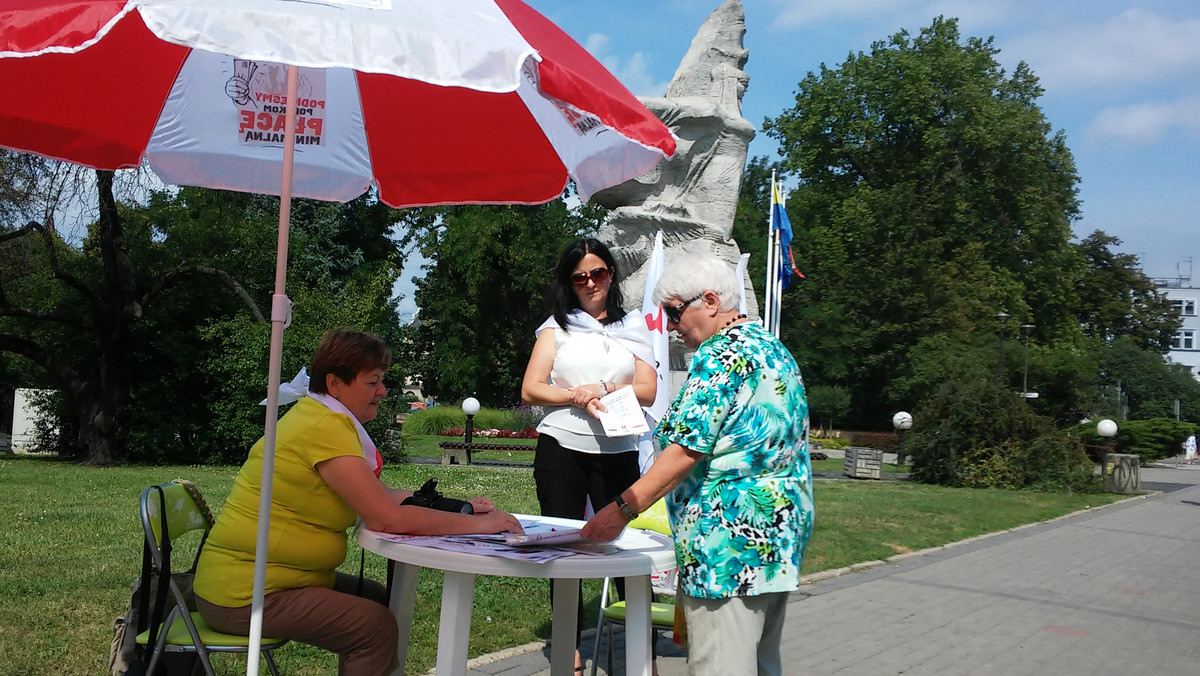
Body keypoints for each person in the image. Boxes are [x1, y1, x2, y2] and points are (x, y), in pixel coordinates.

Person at [194, 329, 522, 675]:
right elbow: (386, 518)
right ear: (335, 384)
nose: (382, 391)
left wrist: (460, 508)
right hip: (246, 593)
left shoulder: (319, 416)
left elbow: (378, 497)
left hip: (265, 581)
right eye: (372, 382)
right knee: (372, 624)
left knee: (378, 599)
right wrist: (479, 526)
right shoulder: (324, 428)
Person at [581, 253, 813, 676]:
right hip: (777, 537)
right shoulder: (773, 349)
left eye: (673, 312)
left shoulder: (721, 356)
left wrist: (618, 512)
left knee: (721, 666)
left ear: (709, 301)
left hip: (730, 544)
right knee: (762, 663)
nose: (669, 325)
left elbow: (685, 451)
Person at [521, 237, 657, 673]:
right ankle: (569, 650)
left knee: (624, 548)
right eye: (579, 277)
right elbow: (531, 388)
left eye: (598, 273)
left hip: (617, 449)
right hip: (560, 444)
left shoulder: (633, 327)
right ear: (569, 283)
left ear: (611, 275)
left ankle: (641, 649)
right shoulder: (555, 327)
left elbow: (649, 391)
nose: (590, 283)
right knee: (562, 547)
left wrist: (603, 388)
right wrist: (574, 398)